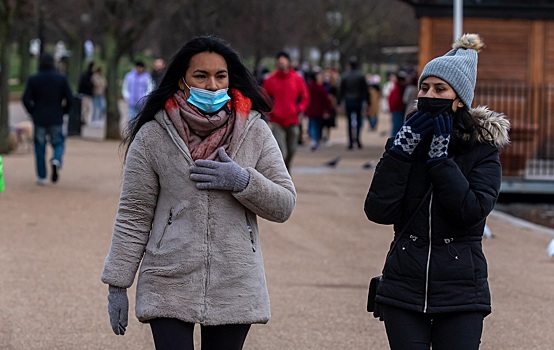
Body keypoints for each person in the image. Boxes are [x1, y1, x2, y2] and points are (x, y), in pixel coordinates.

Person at [100, 36, 296, 350]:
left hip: (235, 278)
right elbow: (134, 215)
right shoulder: (153, 135)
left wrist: (242, 181)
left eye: (220, 76)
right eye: (201, 76)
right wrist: (118, 284)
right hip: (168, 276)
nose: (212, 85)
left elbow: (285, 204)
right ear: (183, 80)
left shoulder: (255, 130)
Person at [364, 34, 510, 350]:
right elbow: (378, 210)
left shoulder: (482, 151)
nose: (428, 95)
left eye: (439, 89)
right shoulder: (404, 143)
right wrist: (401, 153)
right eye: (424, 87)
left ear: (459, 99)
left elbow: (472, 212)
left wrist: (440, 160)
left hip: (461, 289)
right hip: (403, 283)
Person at [22, 53, 73, 185]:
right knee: (58, 143)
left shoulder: (34, 79)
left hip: (39, 117)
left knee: (39, 146)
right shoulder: (61, 79)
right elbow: (70, 98)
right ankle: (56, 159)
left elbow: (25, 98)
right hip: (56, 116)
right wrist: (64, 111)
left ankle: (42, 176)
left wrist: (32, 111)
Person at [262, 51, 310, 170]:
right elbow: (263, 96)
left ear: (288, 62)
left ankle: (287, 168)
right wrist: (269, 111)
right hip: (277, 120)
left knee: (292, 149)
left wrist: (300, 109)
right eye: (280, 62)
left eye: (284, 62)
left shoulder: (296, 79)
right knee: (281, 151)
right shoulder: (270, 80)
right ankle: (282, 174)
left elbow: (305, 96)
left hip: (293, 119)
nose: (282, 64)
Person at [339, 57, 370, 149]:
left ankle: (350, 141)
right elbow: (365, 90)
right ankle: (357, 138)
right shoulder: (360, 76)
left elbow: (341, 90)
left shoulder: (345, 75)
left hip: (348, 100)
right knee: (359, 120)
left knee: (349, 121)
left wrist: (339, 101)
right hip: (358, 100)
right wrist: (368, 101)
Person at [305, 70, 332, 151]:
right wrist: (328, 109)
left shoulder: (308, 87)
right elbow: (325, 99)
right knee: (318, 126)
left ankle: (313, 139)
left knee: (312, 124)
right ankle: (316, 139)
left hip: (310, 109)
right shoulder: (320, 87)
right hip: (319, 110)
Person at [387, 72, 405, 137]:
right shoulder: (398, 89)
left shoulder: (396, 88)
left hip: (397, 110)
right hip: (398, 110)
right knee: (397, 127)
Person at [78, 61, 94, 126]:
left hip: (86, 94)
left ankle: (84, 120)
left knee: (86, 108)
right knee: (86, 108)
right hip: (86, 94)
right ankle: (84, 120)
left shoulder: (86, 75)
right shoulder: (89, 76)